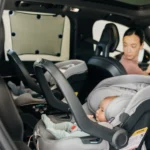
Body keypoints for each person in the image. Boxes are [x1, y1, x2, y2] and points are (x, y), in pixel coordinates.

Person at [42, 96, 117, 140]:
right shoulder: (99, 121)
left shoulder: (107, 126)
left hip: (81, 135)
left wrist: (89, 121)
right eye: (98, 108)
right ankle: (53, 126)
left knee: (67, 135)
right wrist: (87, 120)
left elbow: (96, 129)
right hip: (77, 129)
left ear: (110, 115)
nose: (97, 111)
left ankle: (53, 132)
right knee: (68, 124)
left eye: (102, 110)